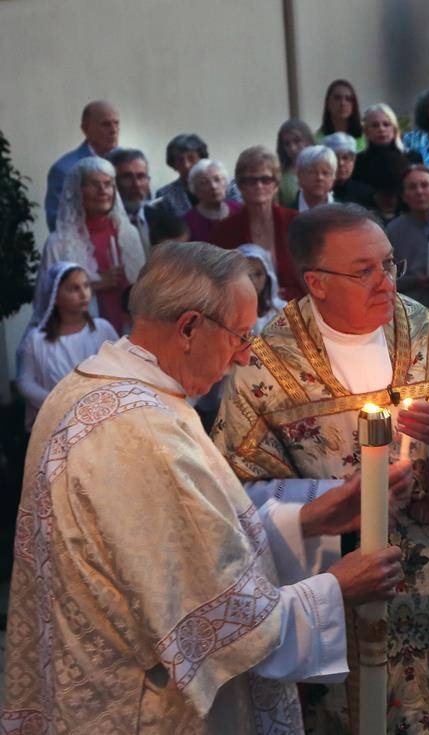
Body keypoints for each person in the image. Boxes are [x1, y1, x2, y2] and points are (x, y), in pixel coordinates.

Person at [5, 242, 408, 732]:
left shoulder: (92, 384)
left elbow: (177, 546)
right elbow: (220, 622)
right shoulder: (141, 431)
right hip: (144, 708)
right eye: (241, 336)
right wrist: (336, 587)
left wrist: (308, 521)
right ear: (190, 327)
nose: (243, 358)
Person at [211, 205, 429, 731]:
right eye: (364, 271)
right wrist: (337, 497)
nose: (385, 282)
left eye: (390, 264)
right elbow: (236, 496)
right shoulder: (264, 364)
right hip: (337, 594)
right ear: (316, 282)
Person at [41, 157, 145, 333]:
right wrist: (96, 283)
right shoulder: (59, 243)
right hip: (82, 336)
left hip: (129, 333)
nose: (103, 191)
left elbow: (144, 287)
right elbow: (48, 297)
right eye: (94, 184)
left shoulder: (129, 234)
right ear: (78, 191)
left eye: (108, 184)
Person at [15, 263, 118, 429]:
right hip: (58, 422)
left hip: (102, 419)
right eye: (73, 289)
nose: (84, 294)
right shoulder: (36, 340)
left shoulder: (102, 329)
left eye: (86, 286)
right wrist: (55, 401)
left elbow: (121, 367)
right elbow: (24, 381)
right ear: (55, 296)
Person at [209, 146, 303, 299]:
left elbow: (315, 274)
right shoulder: (223, 231)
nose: (259, 186)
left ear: (276, 185)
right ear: (240, 186)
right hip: (246, 315)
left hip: (297, 312)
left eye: (265, 179)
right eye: (251, 180)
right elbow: (216, 283)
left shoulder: (298, 223)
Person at [45, 100, 119, 229]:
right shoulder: (65, 169)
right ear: (86, 129)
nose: (113, 130)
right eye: (106, 124)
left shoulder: (129, 163)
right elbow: (57, 222)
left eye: (116, 123)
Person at [386, 164, 429, 312]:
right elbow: (386, 276)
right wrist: (414, 281)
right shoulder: (393, 230)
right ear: (404, 195)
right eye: (412, 187)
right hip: (407, 310)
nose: (419, 192)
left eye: (425, 185)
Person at [107, 148, 182, 253]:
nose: (136, 184)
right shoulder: (106, 222)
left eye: (141, 176)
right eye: (127, 177)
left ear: (148, 179)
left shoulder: (163, 215)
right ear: (114, 181)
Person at [351, 103, 409, 223]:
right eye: (375, 125)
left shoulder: (411, 157)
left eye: (386, 124)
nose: (381, 129)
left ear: (394, 129)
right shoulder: (357, 161)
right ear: (366, 131)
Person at [182, 158, 240, 242]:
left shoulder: (241, 210)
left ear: (226, 183)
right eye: (204, 182)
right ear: (194, 189)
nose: (213, 186)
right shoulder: (187, 223)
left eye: (217, 179)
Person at [235, 243, 287, 333]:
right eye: (247, 274)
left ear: (267, 276)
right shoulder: (228, 314)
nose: (253, 281)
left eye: (258, 274)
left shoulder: (281, 310)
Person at [321, 132, 376, 209]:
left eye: (346, 158)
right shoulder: (316, 190)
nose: (341, 163)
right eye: (335, 158)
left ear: (353, 161)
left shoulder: (366, 193)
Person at [315, 78, 365, 151]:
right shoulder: (317, 141)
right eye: (337, 98)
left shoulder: (367, 137)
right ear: (328, 103)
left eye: (348, 99)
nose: (343, 103)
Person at [274, 118, 313, 208]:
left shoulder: (323, 168)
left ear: (308, 140)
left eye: (297, 141)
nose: (293, 148)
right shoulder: (281, 177)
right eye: (287, 144)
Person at [292, 144, 337, 212]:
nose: (320, 178)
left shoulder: (345, 212)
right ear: (299, 175)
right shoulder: (286, 211)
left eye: (325, 173)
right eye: (313, 172)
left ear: (333, 178)